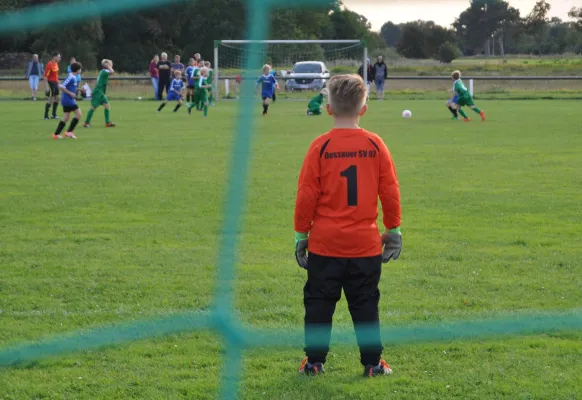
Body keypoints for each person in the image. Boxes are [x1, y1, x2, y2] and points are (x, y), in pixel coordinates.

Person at [294, 74, 402, 377]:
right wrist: (393, 230)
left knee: (318, 305)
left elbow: (306, 195)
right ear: (363, 109)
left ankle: (314, 362)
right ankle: (372, 363)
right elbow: (390, 191)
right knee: (366, 305)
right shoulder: (375, 144)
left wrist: (301, 233)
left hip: (325, 245)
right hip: (364, 245)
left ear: (329, 109)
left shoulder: (320, 146)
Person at [52, 62, 83, 140]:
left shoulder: (74, 77)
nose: (81, 70)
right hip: (67, 99)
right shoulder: (70, 77)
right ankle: (69, 132)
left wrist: (80, 89)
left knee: (66, 117)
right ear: (78, 70)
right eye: (80, 69)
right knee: (79, 114)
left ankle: (56, 134)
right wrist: (70, 93)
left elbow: (71, 87)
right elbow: (61, 86)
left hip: (69, 99)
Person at [83, 59, 116, 128]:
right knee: (93, 107)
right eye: (110, 64)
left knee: (107, 106)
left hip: (100, 92)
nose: (111, 65)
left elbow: (97, 82)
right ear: (107, 65)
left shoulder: (103, 71)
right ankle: (86, 122)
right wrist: (108, 65)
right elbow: (112, 72)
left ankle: (107, 123)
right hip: (98, 92)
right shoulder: (104, 72)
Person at [43, 52, 61, 120]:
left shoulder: (56, 64)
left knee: (58, 98)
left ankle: (54, 115)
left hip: (55, 83)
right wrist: (47, 87)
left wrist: (58, 83)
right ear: (54, 57)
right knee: (50, 100)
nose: (60, 58)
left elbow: (56, 75)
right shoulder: (49, 64)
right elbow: (45, 77)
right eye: (58, 57)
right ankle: (45, 116)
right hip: (50, 83)